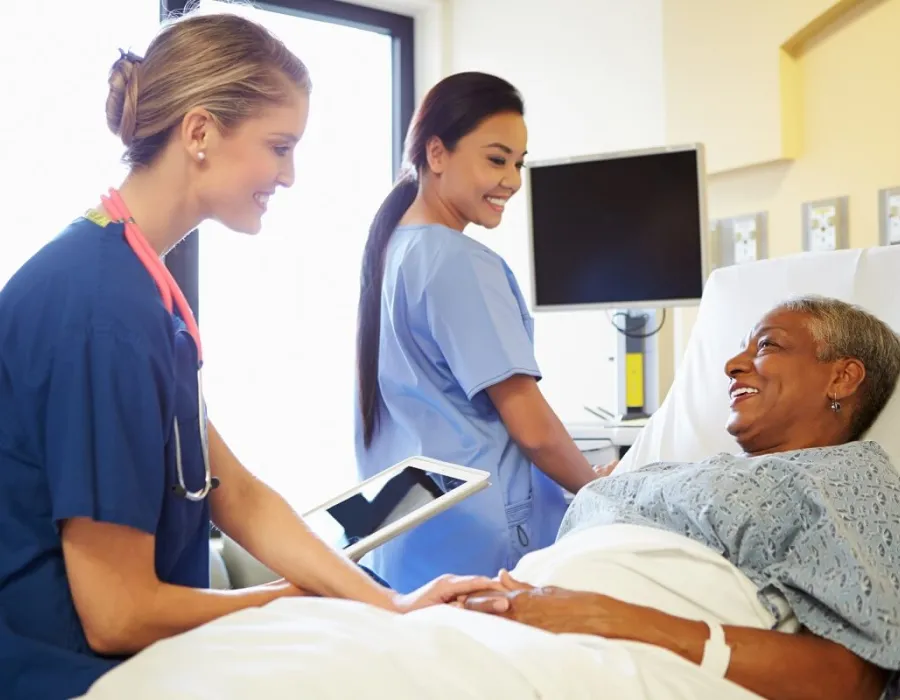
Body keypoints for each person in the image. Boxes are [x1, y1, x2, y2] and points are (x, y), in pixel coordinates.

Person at [0, 11, 499, 700]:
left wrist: (388, 604)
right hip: (70, 679)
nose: (289, 176)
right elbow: (115, 613)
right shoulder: (98, 308)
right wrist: (283, 601)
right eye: (279, 146)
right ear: (200, 132)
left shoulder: (139, 285)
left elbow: (236, 492)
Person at [457, 296, 900, 700]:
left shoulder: (850, 477)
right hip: (512, 619)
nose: (732, 365)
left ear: (842, 378)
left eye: (767, 346)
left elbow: (853, 679)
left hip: (603, 648)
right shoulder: (675, 471)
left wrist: (608, 617)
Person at [354, 71, 599, 593]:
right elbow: (530, 426)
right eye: (496, 158)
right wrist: (601, 490)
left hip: (401, 535)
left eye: (518, 163)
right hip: (479, 538)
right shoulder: (458, 261)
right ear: (436, 153)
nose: (511, 179)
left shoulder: (391, 252)